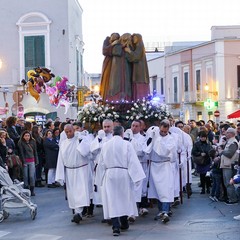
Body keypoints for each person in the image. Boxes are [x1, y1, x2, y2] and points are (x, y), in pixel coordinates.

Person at [96, 126, 145, 236]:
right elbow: (132, 161)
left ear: (113, 133)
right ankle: (124, 223)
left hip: (110, 174)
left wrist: (99, 179)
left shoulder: (105, 145)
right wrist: (137, 178)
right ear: (122, 134)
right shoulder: (127, 144)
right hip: (123, 173)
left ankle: (115, 227)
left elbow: (101, 163)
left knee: (112, 200)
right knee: (124, 198)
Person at [55, 124, 91, 224]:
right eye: (66, 132)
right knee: (73, 194)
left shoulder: (80, 139)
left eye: (70, 131)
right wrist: (60, 176)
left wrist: (81, 141)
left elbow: (86, 152)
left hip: (81, 170)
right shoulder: (63, 143)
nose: (68, 133)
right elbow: (60, 160)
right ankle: (77, 212)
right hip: (69, 172)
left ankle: (78, 212)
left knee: (80, 192)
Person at [144, 120, 177, 223]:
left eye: (165, 131)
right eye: (161, 131)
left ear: (168, 130)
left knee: (165, 190)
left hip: (164, 166)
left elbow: (164, 152)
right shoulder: (154, 136)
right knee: (157, 190)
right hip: (154, 165)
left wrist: (158, 140)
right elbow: (146, 149)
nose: (163, 133)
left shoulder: (171, 139)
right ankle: (161, 210)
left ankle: (166, 211)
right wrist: (152, 138)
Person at [106, 33, 133, 102]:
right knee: (115, 83)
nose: (126, 41)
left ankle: (127, 99)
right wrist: (122, 46)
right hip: (116, 68)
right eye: (125, 39)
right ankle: (115, 99)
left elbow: (131, 58)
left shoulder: (129, 47)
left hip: (126, 68)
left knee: (126, 83)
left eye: (128, 39)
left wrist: (128, 50)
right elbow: (115, 51)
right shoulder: (117, 46)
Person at [124, 33, 150, 101]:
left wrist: (129, 51)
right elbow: (131, 58)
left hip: (140, 71)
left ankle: (140, 102)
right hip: (137, 70)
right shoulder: (136, 47)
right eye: (133, 38)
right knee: (136, 85)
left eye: (135, 38)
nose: (134, 39)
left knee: (139, 87)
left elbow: (136, 57)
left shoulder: (140, 45)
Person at [220, 127, 239, 205]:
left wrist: (222, 151)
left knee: (229, 183)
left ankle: (233, 199)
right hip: (225, 165)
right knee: (226, 182)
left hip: (229, 165)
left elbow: (230, 154)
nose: (226, 133)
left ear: (232, 134)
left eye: (227, 132)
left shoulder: (233, 142)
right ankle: (230, 198)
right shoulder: (229, 142)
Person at [99, 33, 120, 102]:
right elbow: (105, 51)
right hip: (108, 63)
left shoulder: (118, 44)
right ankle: (105, 97)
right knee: (107, 78)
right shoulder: (107, 41)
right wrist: (112, 44)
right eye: (113, 36)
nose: (114, 38)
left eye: (116, 37)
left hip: (116, 64)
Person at [18, 130, 38, 196]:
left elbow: (35, 151)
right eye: (26, 136)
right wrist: (23, 162)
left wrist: (36, 160)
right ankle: (26, 189)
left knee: (32, 176)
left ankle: (32, 190)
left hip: (32, 160)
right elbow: (21, 153)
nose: (27, 137)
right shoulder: (21, 142)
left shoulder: (33, 141)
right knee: (25, 176)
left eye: (28, 135)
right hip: (25, 161)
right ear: (23, 136)